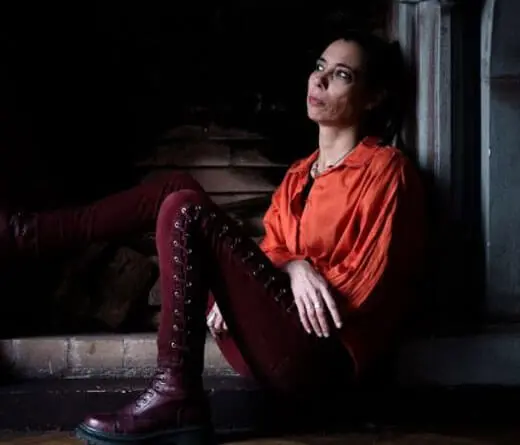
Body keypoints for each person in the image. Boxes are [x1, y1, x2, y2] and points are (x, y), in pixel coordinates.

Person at [74, 30, 427, 445]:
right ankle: (34, 233)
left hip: (323, 356)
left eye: (341, 74)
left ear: (372, 98)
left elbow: (362, 288)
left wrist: (273, 280)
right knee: (176, 194)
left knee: (185, 207)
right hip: (269, 344)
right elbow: (272, 249)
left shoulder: (386, 170)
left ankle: (175, 396)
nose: (319, 80)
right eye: (319, 67)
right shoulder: (297, 176)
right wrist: (289, 268)